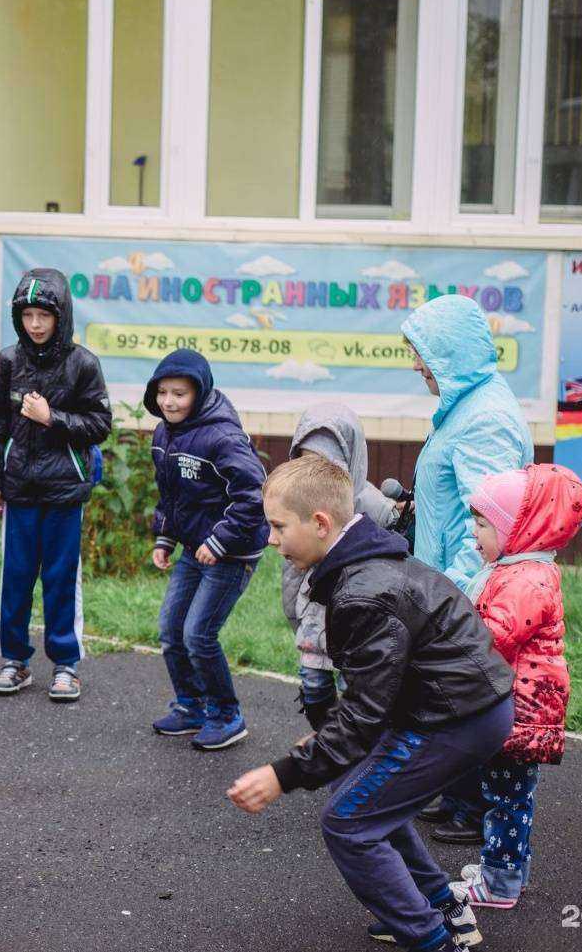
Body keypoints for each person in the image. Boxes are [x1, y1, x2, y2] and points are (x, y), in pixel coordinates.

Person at [229, 454, 513, 952]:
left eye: (277, 526)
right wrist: (327, 743)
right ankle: (443, 907)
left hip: (456, 719)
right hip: (457, 708)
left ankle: (432, 939)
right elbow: (373, 693)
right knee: (359, 791)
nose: (271, 539)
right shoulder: (365, 567)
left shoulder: (364, 591)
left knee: (348, 822)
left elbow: (365, 713)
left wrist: (283, 774)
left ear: (320, 524)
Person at [402, 293, 532, 841]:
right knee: (447, 691)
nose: (415, 365)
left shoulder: (486, 420)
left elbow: (492, 522)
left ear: (448, 353)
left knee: (467, 691)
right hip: (446, 578)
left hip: (465, 584)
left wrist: (451, 588)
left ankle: (478, 810)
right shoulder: (466, 404)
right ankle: (459, 798)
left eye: (421, 354)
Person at [453, 465, 582, 909]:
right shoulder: (515, 570)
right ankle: (509, 868)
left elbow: (492, 638)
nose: (475, 533)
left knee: (505, 798)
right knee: (509, 795)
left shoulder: (525, 579)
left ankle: (500, 881)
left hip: (520, 709)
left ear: (518, 528)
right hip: (518, 703)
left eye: (483, 524)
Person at [0, 268, 111, 703]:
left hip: (64, 490)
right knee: (15, 577)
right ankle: (14, 661)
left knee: (59, 578)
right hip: (18, 489)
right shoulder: (9, 360)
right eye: (28, 315)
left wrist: (51, 418)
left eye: (44, 316)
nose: (36, 324)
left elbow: (99, 424)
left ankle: (65, 664)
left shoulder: (83, 363)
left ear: (61, 316)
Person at [144, 349, 268, 749]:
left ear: (199, 392)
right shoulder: (164, 434)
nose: (169, 401)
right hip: (194, 548)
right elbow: (172, 497)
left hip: (232, 552)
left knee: (199, 634)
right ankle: (191, 706)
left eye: (179, 393)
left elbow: (254, 495)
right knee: (171, 630)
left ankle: (227, 714)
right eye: (163, 393)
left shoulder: (222, 436)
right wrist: (165, 537)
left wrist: (220, 540)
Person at [281, 403, 396, 731]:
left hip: (355, 622)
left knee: (354, 688)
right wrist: (293, 612)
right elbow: (289, 570)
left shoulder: (371, 505)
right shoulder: (294, 507)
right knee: (314, 686)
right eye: (307, 462)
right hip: (314, 622)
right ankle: (326, 738)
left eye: (326, 465)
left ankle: (356, 746)